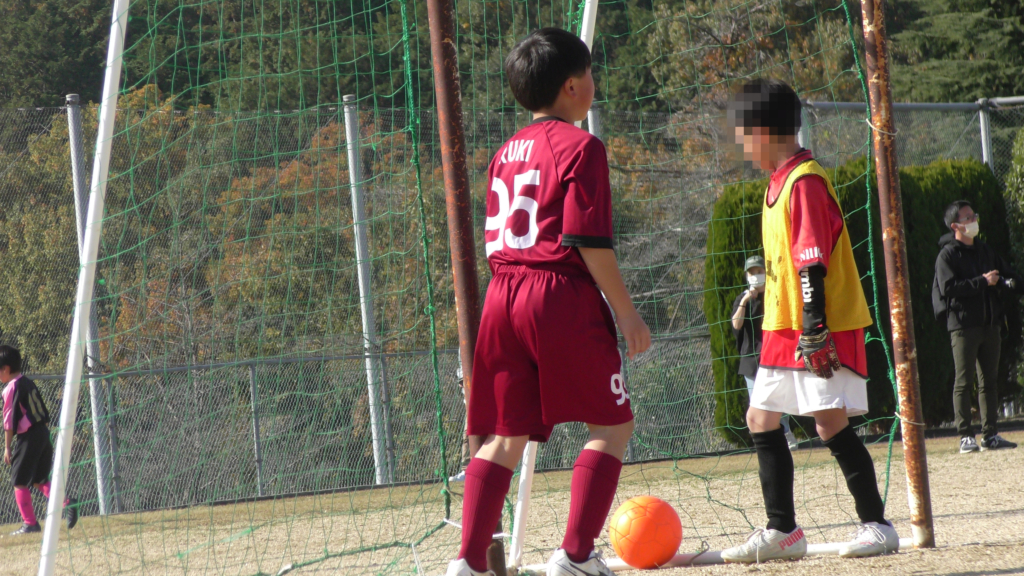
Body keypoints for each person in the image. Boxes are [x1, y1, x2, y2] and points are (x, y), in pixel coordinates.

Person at [444, 28, 651, 576]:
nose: (594, 83)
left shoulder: (504, 153)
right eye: (590, 73)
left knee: (505, 436)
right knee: (613, 426)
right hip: (555, 294)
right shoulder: (583, 147)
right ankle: (575, 557)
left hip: (501, 295)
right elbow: (589, 242)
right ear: (572, 86)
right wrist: (626, 312)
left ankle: (467, 564)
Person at [720, 79, 898, 563]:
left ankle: (877, 525)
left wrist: (814, 324)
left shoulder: (805, 181)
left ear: (762, 131)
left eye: (743, 134)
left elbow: (810, 259)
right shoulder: (776, 183)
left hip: (818, 323)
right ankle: (783, 531)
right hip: (781, 325)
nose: (741, 145)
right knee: (760, 418)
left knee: (828, 423)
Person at [932, 201, 1020, 453]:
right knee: (963, 381)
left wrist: (1009, 283)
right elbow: (948, 288)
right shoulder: (947, 255)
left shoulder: (985, 251)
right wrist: (982, 281)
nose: (974, 221)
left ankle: (990, 434)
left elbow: (1006, 274)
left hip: (990, 324)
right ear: (955, 226)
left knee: (989, 382)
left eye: (974, 216)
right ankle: (965, 436)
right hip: (963, 326)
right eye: (968, 218)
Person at [2, 345, 78, 535]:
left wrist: (7, 447)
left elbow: (9, 422)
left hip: (29, 436)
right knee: (38, 480)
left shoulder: (10, 388)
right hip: (43, 432)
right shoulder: (28, 383)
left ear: (5, 369)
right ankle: (67, 503)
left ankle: (30, 524)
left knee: (19, 481)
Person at [731, 255, 798, 450]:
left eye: (759, 271)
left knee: (778, 399)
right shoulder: (741, 299)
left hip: (774, 356)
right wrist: (745, 300)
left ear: (766, 273)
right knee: (757, 403)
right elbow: (736, 325)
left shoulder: (773, 296)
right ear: (746, 276)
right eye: (751, 273)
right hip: (751, 359)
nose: (755, 275)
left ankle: (786, 432)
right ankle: (767, 441)